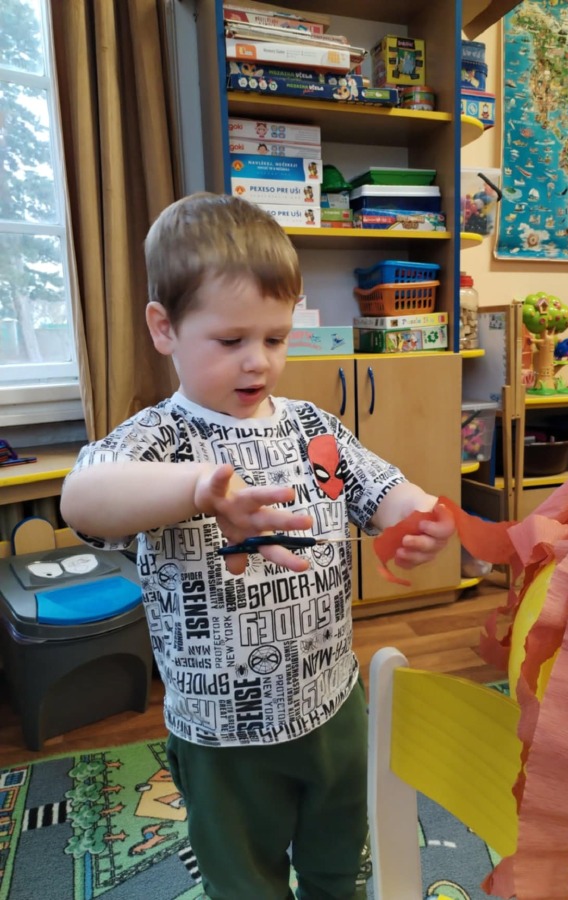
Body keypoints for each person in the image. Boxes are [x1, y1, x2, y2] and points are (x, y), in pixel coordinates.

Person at [60, 192, 455, 900]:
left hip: (330, 701)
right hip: (221, 732)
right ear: (164, 328)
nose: (258, 363)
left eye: (275, 339)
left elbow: (380, 486)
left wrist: (418, 516)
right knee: (245, 880)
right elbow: (83, 500)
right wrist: (198, 490)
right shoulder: (160, 439)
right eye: (230, 340)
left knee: (339, 860)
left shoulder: (312, 426)